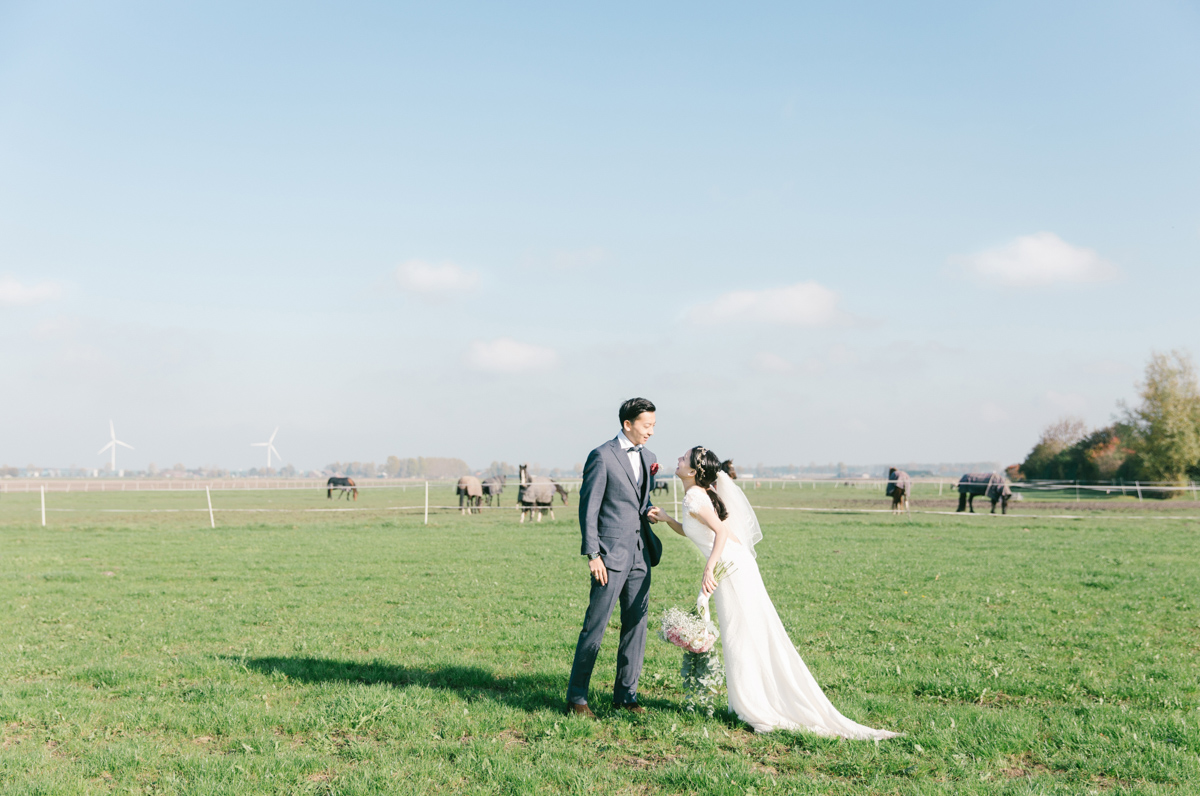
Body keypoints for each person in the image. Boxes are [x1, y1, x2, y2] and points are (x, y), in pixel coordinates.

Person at [648, 446, 898, 739]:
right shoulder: (697, 495)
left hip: (731, 570)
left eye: (683, 458)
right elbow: (696, 531)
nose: (677, 459)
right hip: (733, 566)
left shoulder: (693, 496)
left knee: (741, 634)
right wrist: (667, 519)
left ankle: (753, 704)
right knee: (741, 634)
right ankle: (746, 700)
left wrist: (708, 568)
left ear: (692, 471)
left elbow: (721, 532)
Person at [565, 398, 663, 718]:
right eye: (646, 425)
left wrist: (649, 511)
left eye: (653, 425)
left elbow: (639, 501)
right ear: (627, 424)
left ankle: (626, 696)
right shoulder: (602, 456)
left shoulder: (649, 457)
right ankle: (577, 699)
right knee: (596, 626)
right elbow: (588, 508)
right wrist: (593, 554)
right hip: (608, 557)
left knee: (637, 625)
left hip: (640, 555)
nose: (651, 431)